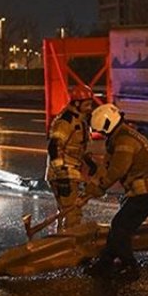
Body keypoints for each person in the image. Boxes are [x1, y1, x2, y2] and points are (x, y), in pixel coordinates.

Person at [89, 103, 148, 278]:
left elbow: (117, 170)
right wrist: (93, 185)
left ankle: (129, 266)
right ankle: (105, 263)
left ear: (108, 125)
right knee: (120, 226)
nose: (102, 135)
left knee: (120, 226)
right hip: (142, 191)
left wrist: (101, 187)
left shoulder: (125, 140)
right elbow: (106, 165)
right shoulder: (119, 136)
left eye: (102, 131)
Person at [46, 85, 100, 231]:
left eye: (91, 104)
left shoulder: (80, 120)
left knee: (66, 212)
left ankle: (59, 242)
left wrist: (88, 161)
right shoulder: (66, 121)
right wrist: (61, 173)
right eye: (87, 104)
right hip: (64, 173)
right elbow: (54, 146)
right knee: (72, 214)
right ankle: (69, 245)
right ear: (77, 103)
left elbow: (76, 147)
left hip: (70, 171)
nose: (90, 108)